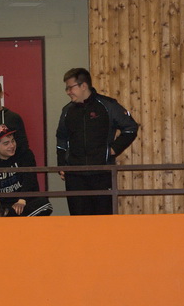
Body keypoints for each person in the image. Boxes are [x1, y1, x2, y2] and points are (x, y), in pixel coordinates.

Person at [55, 68, 138, 215]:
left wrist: (112, 150)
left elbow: (130, 128)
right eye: (66, 88)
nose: (68, 92)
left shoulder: (107, 105)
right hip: (75, 177)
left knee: (104, 222)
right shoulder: (67, 111)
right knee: (78, 223)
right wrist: (62, 165)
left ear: (83, 86)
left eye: (70, 87)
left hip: (102, 173)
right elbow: (61, 139)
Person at [0, 124, 53, 217]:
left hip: (24, 204)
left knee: (44, 204)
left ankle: (5, 216)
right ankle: (3, 215)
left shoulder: (25, 154)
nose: (12, 145)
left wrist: (22, 200)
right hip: (3, 207)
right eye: (6, 143)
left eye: (13, 141)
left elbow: (30, 180)